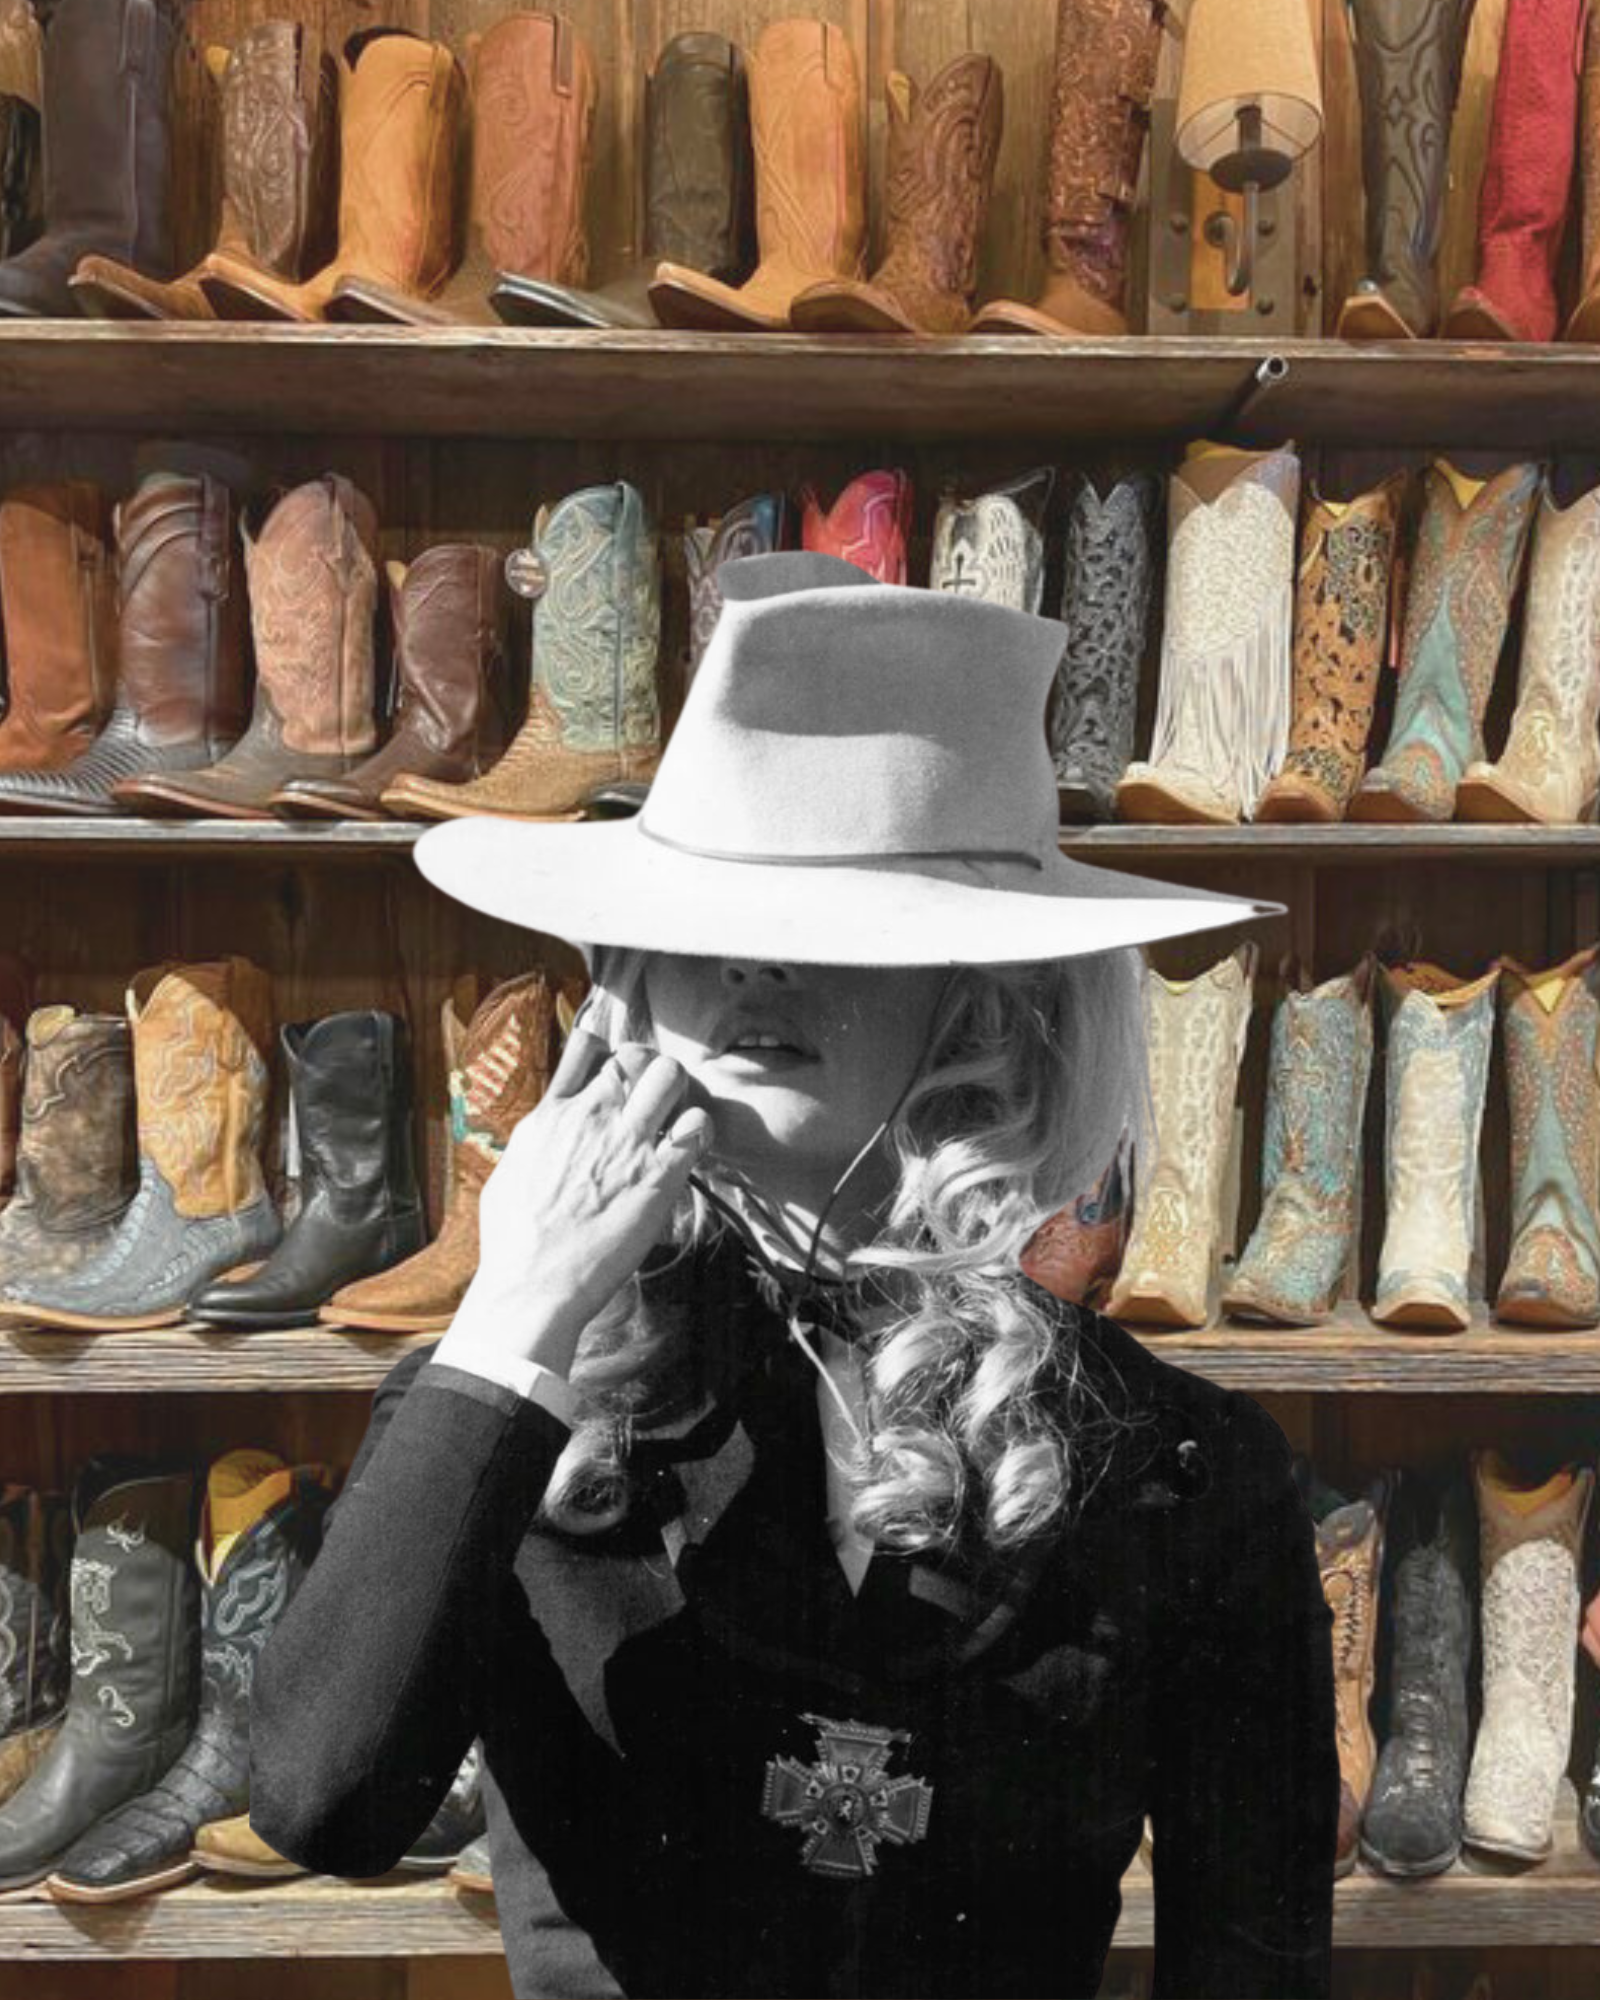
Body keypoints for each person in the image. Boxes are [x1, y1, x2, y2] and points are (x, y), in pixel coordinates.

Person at [251, 553, 1338, 1999]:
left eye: (830, 932)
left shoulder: (1180, 1471)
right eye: (700, 928)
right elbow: (321, 1802)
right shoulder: (510, 1409)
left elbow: (1255, 1964)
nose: (749, 971)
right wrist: (515, 1309)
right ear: (631, 984)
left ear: (987, 1004)